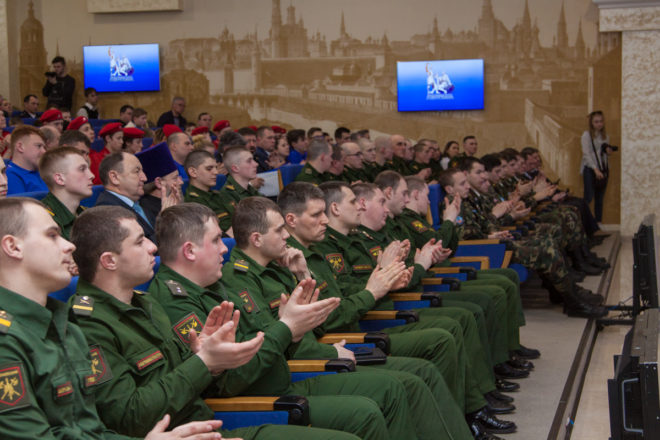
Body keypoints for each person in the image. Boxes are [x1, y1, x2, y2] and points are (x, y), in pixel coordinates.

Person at [69, 205, 362, 440]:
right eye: (139, 241)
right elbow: (129, 417)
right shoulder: (89, 324)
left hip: (211, 422)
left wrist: (207, 360)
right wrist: (206, 361)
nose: (152, 247)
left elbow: (193, 377)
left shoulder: (146, 304)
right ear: (109, 261)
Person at [0, 197, 234, 439]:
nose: (69, 246)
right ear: (13, 247)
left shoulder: (62, 325)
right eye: (52, 235)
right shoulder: (11, 339)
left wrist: (205, 359)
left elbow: (90, 431)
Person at [95, 152, 156, 244]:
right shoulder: (108, 211)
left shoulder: (139, 204)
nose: (144, 178)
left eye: (142, 171)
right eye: (137, 171)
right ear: (114, 177)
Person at [38, 147, 93, 240]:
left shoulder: (87, 213)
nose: (92, 175)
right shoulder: (43, 219)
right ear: (60, 179)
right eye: (82, 169)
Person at [215, 146, 260, 232]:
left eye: (253, 160)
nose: (256, 164)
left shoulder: (252, 190)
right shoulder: (225, 195)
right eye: (249, 161)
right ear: (235, 168)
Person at [581, 111, 613, 223]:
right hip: (590, 169)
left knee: (600, 198)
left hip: (602, 169)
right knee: (589, 197)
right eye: (596, 122)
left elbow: (602, 155)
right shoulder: (586, 135)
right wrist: (595, 169)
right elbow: (586, 154)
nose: (599, 124)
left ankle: (598, 223)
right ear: (591, 123)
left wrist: (608, 152)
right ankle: (585, 223)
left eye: (601, 121)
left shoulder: (605, 136)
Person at [6, 126, 49, 194]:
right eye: (39, 146)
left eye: (44, 147)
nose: (44, 151)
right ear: (20, 147)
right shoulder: (9, 176)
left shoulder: (42, 173)